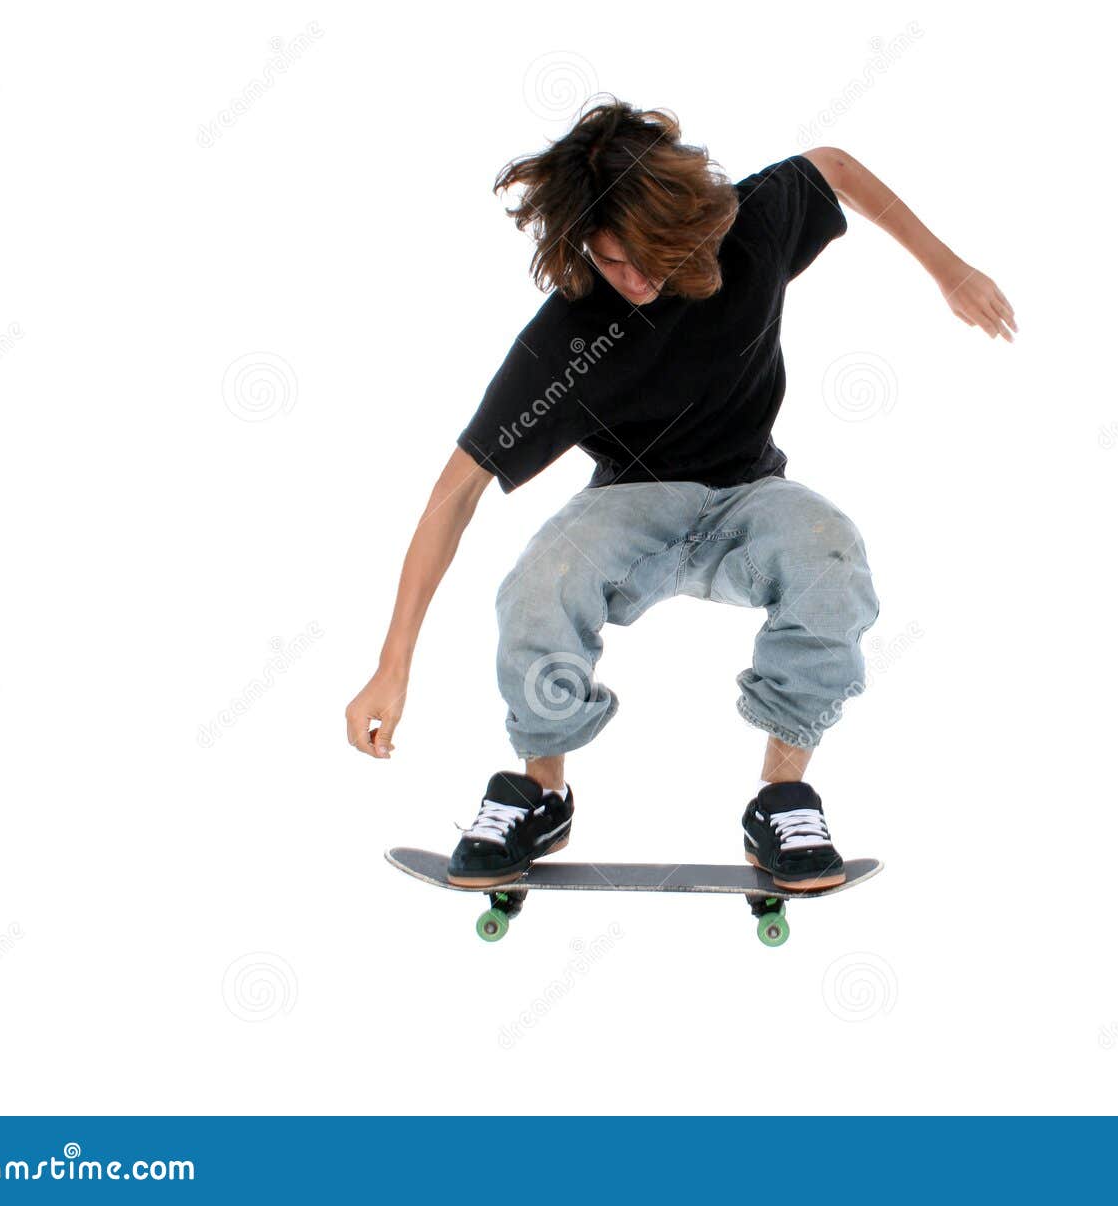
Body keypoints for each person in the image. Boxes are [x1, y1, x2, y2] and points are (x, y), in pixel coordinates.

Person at [345, 98, 1016, 892]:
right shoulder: (567, 336)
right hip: (628, 502)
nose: (635, 281)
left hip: (750, 495)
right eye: (611, 261)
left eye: (649, 257)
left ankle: (781, 799)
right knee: (540, 581)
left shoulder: (751, 231)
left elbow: (831, 165)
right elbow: (453, 494)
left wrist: (950, 269)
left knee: (830, 551)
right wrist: (393, 665)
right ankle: (541, 794)